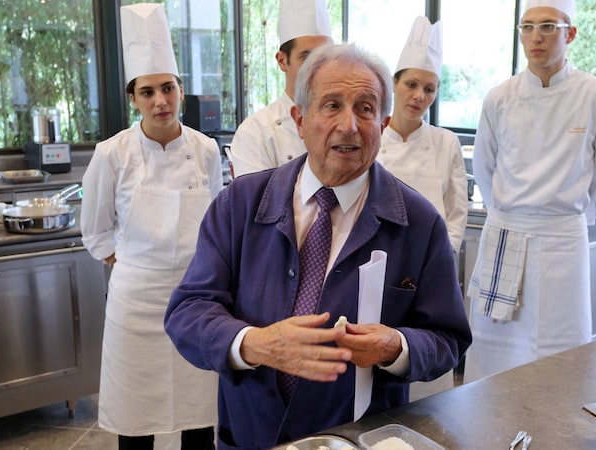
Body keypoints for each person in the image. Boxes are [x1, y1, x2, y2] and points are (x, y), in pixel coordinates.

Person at [164, 43, 472, 449]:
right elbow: (188, 311)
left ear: (382, 123)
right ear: (300, 119)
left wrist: (396, 346)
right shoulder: (240, 204)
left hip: (358, 438)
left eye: (365, 108)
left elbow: (447, 339)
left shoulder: (418, 223)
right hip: (254, 434)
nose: (349, 125)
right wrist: (254, 344)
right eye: (331, 105)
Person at [80, 4, 222, 449]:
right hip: (135, 305)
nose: (160, 100)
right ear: (133, 98)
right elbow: (96, 231)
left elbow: (217, 226)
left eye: (167, 88)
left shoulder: (206, 151)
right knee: (135, 420)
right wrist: (134, 265)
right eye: (147, 92)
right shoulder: (112, 154)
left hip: (195, 299)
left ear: (180, 90)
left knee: (199, 417)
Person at [465, 0, 596, 382]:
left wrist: (576, 217)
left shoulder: (595, 94)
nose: (536, 36)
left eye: (548, 27)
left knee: (562, 348)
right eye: (528, 27)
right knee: (495, 348)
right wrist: (507, 212)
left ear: (570, 34)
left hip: (564, 238)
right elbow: (485, 168)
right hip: (506, 230)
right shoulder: (500, 97)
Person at [377, 16, 467, 255]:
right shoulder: (373, 138)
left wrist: (446, 254)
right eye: (411, 84)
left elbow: (456, 211)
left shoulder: (446, 142)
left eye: (429, 89)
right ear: (394, 83)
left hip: (433, 254)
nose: (419, 96)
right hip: (382, 251)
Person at [227, 0, 333, 176]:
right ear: (282, 61)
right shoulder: (255, 131)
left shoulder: (346, 124)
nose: (318, 68)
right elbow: (253, 200)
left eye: (325, 57)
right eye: (307, 57)